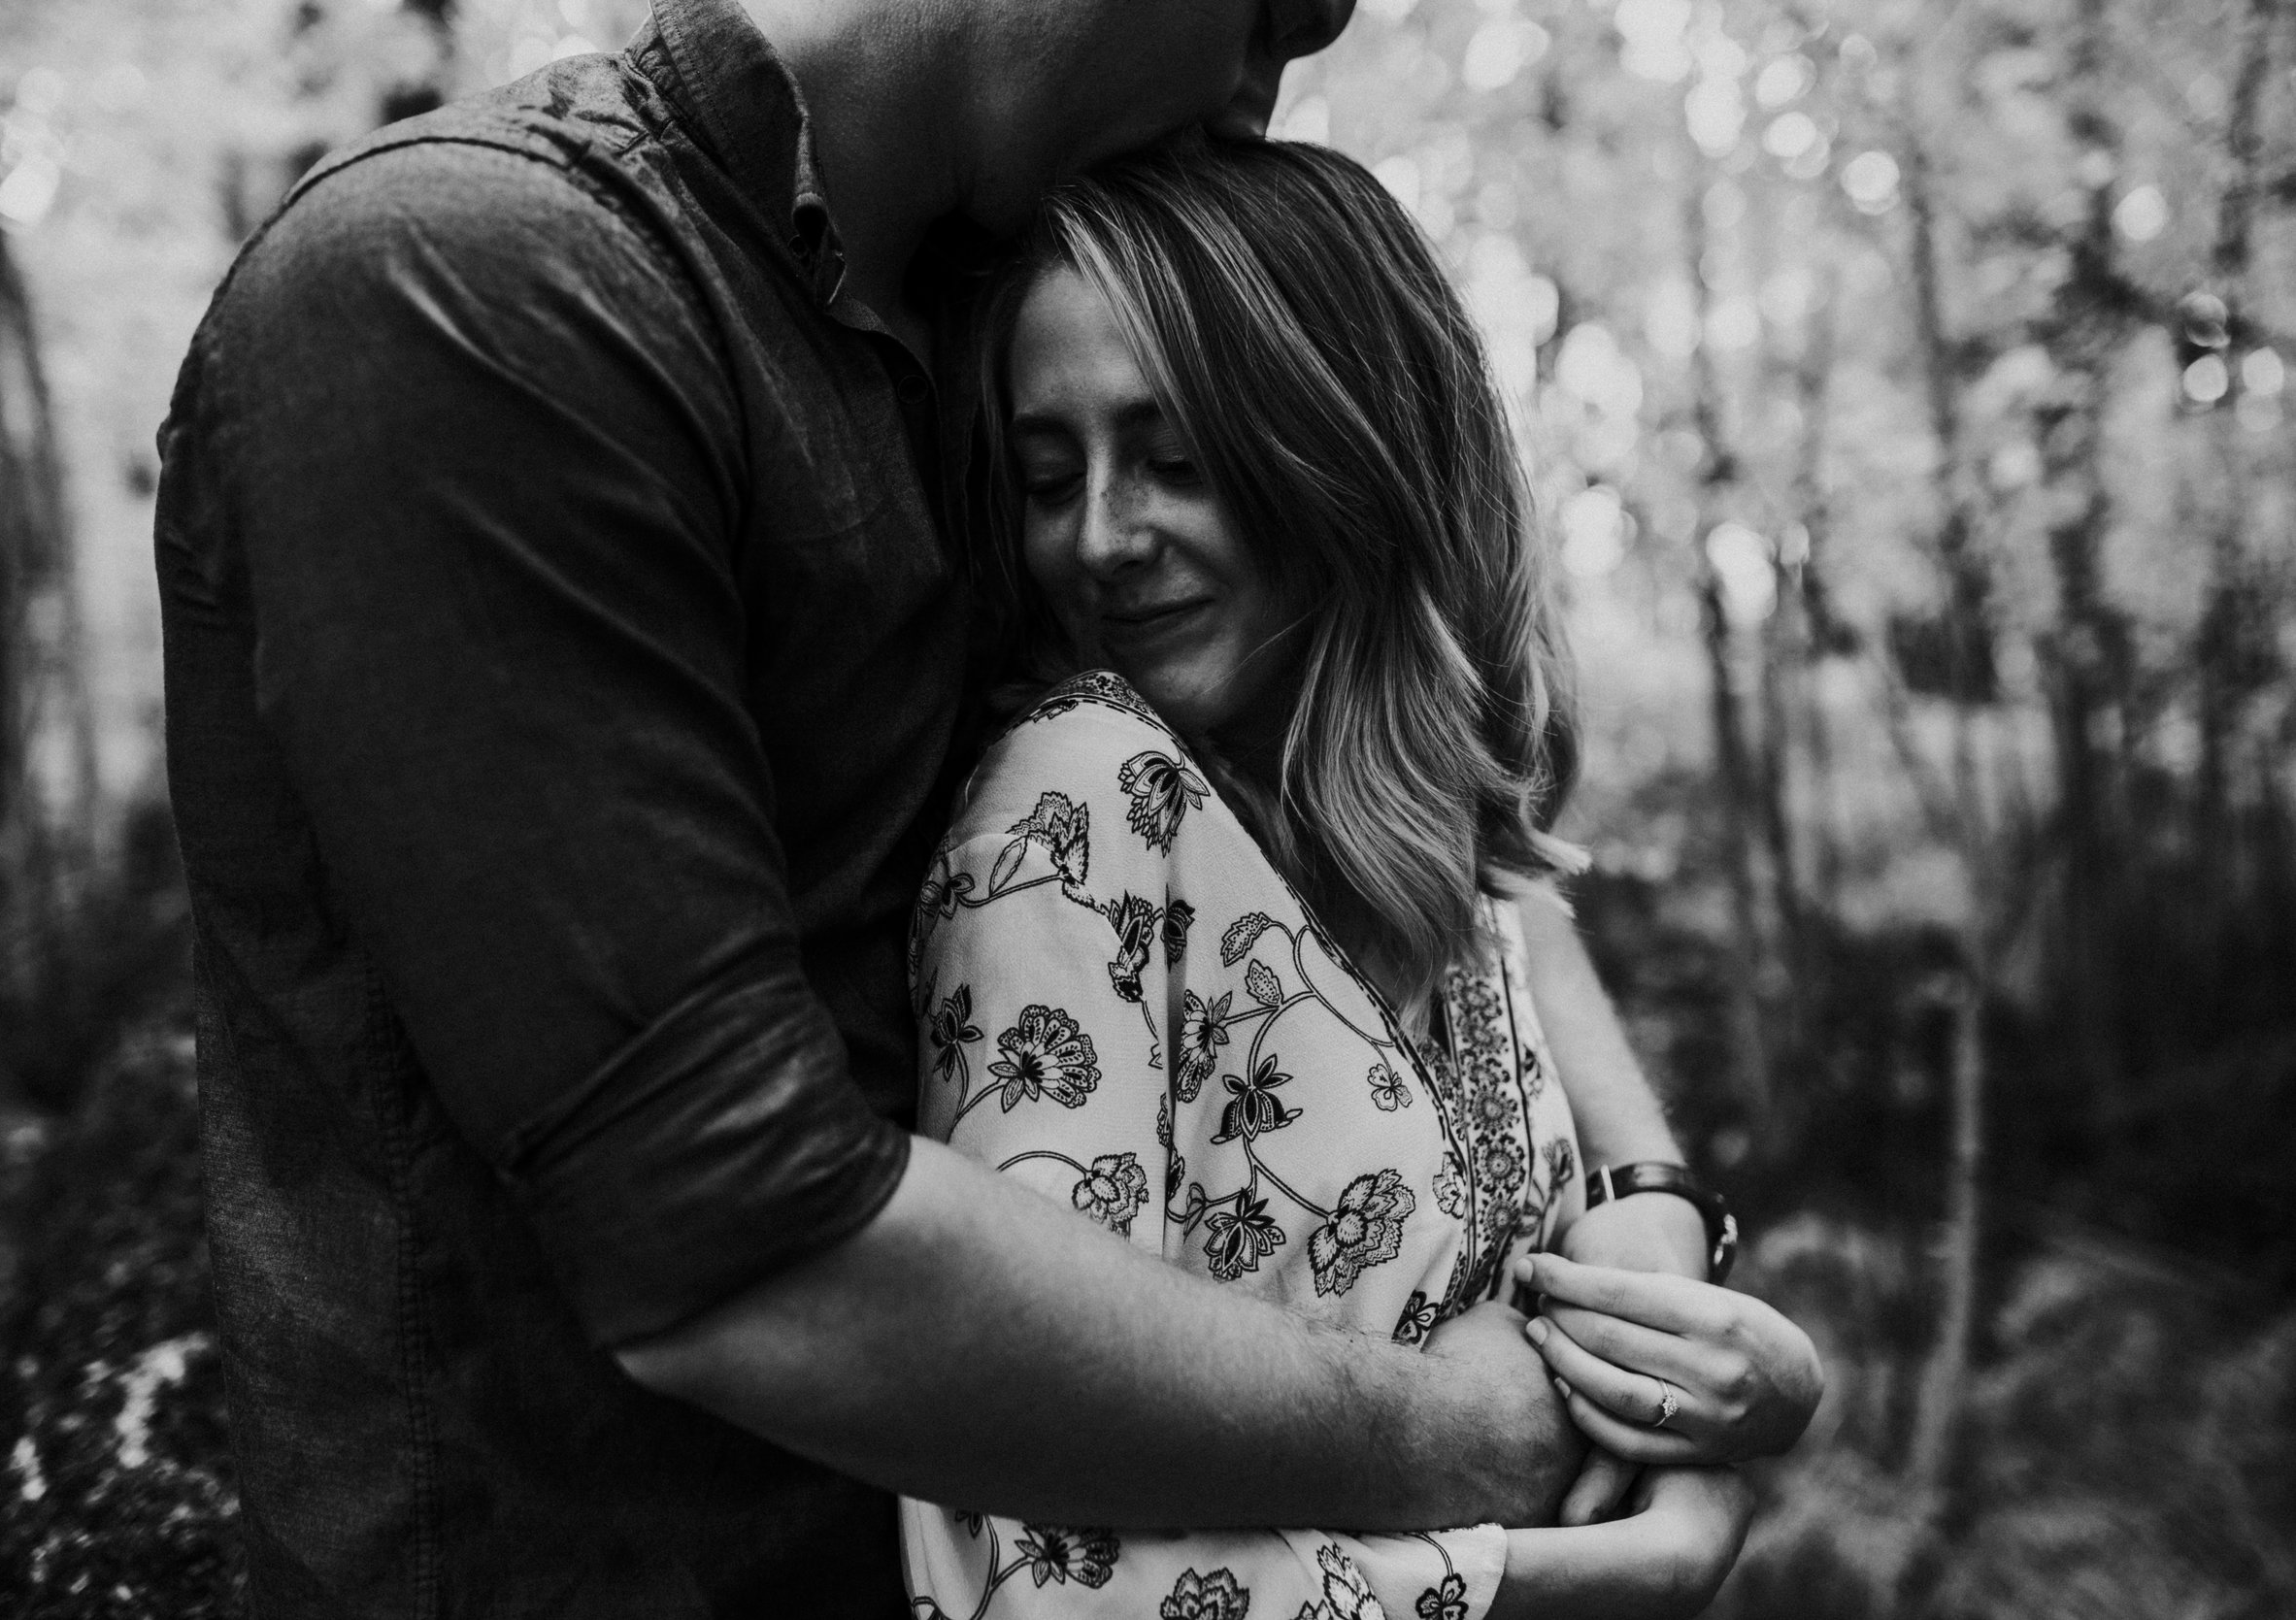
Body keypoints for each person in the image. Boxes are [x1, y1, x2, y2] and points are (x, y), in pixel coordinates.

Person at [152, 0, 1808, 1611]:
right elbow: (743, 1253)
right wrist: (1494, 1433)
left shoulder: (978, 307)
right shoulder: (482, 286)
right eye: (1283, 1)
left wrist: (1650, 1219)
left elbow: (1434, 806)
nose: (1301, 52)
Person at [898, 135, 1820, 1616]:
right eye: (1047, 474)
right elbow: (1034, 1552)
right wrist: (1570, 1582)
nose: (1101, 538)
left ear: (1341, 455)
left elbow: (1572, 1326)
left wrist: (1755, 1382)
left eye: (1178, 460)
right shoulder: (1077, 814)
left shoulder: (1442, 861)